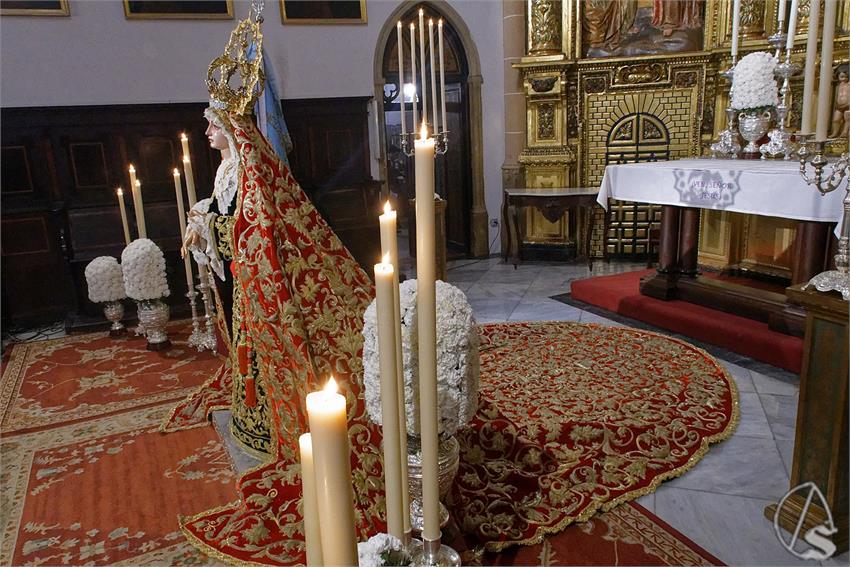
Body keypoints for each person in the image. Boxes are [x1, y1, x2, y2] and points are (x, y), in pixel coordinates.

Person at [161, 13, 385, 564]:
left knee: (264, 345)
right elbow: (228, 215)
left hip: (261, 280)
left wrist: (205, 222)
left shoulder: (249, 170)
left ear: (232, 128)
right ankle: (250, 412)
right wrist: (206, 215)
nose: (208, 132)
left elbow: (249, 227)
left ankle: (268, 418)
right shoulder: (227, 169)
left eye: (212, 124)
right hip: (243, 280)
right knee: (246, 347)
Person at [831, 68, 850, 139]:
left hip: (848, 105)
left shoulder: (848, 85)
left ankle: (845, 132)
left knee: (847, 119)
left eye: (846, 77)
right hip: (839, 105)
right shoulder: (837, 86)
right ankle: (835, 132)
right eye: (842, 77)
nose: (844, 79)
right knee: (836, 119)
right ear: (838, 77)